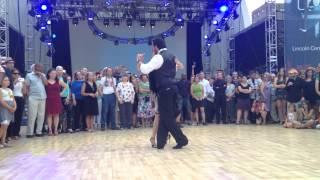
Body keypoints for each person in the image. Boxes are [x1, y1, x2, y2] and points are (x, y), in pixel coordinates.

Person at [137, 38, 188, 149]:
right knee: (165, 116)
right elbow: (180, 67)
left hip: (165, 90)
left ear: (156, 46)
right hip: (173, 88)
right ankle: (161, 142)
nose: (152, 48)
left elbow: (145, 70)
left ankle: (182, 139)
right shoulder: (171, 55)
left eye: (152, 46)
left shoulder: (159, 57)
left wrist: (139, 61)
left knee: (167, 118)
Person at [24, 64, 47, 138]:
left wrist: (42, 76)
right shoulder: (29, 75)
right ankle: (30, 133)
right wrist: (28, 95)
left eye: (40, 68)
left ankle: (39, 132)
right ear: (34, 68)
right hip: (33, 97)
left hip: (43, 97)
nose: (39, 69)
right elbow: (26, 86)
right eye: (38, 68)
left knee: (41, 115)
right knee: (32, 115)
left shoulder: (43, 75)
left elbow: (46, 84)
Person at [45, 69, 67, 136]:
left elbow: (66, 86)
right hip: (48, 99)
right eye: (52, 73)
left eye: (55, 73)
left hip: (57, 99)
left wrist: (61, 93)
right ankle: (50, 130)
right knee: (49, 115)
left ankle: (56, 130)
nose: (54, 74)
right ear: (49, 74)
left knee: (56, 115)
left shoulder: (59, 81)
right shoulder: (46, 81)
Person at [0, 76, 16, 148]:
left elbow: (13, 99)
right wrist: (9, 107)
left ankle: (3, 142)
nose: (7, 82)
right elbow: (1, 101)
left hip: (10, 108)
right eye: (5, 80)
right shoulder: (0, 90)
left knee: (6, 126)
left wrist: (14, 107)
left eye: (8, 80)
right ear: (1, 81)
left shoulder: (10, 90)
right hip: (4, 108)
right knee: (3, 125)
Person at [10, 69, 25, 139]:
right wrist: (14, 82)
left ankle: (17, 132)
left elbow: (24, 92)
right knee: (13, 117)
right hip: (13, 98)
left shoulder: (21, 80)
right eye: (15, 73)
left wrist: (24, 85)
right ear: (12, 74)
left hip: (20, 98)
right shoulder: (9, 81)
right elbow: (10, 90)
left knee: (19, 116)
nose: (16, 75)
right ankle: (11, 133)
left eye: (18, 73)